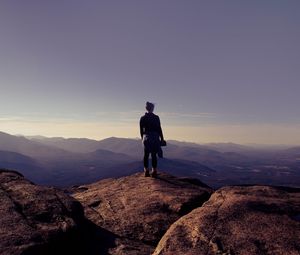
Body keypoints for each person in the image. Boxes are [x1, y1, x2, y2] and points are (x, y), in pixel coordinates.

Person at [140, 102, 165, 177]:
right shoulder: (156, 117)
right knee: (154, 154)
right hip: (155, 137)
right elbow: (159, 129)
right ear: (153, 108)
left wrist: (142, 138)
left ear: (146, 108)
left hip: (146, 138)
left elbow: (141, 130)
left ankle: (146, 171)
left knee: (146, 155)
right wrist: (162, 138)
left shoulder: (143, 118)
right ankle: (154, 171)